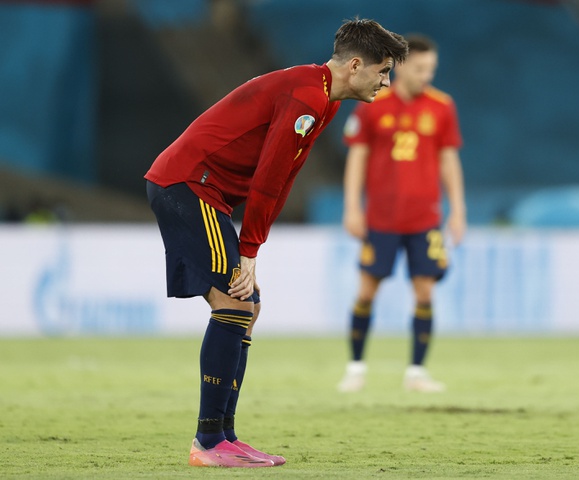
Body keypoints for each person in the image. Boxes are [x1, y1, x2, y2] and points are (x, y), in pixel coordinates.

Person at [145, 19, 408, 468]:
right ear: (355, 65)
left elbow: (284, 177)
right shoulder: (307, 97)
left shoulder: (321, 98)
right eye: (383, 71)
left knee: (248, 305)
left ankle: (225, 436)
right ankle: (209, 442)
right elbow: (267, 176)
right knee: (234, 303)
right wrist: (249, 250)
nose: (386, 82)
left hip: (201, 189)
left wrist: (252, 248)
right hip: (189, 184)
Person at [338, 34, 466, 393]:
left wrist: (458, 210)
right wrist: (352, 208)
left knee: (425, 292)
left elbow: (449, 160)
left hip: (424, 219)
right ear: (402, 66)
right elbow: (357, 157)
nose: (427, 75)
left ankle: (416, 372)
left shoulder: (442, 106)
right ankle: (355, 368)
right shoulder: (373, 103)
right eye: (421, 68)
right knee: (367, 291)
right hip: (381, 219)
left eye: (431, 69)